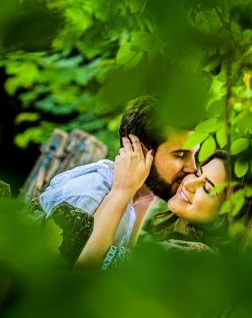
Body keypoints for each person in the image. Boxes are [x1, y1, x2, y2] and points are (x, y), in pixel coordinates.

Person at [39, 96, 200, 270]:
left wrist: (146, 196)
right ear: (140, 150)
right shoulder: (91, 194)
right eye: (180, 155)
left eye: (194, 156)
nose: (193, 168)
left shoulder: (132, 198)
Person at [100, 150, 252, 270]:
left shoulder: (195, 255)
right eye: (197, 173)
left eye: (207, 188)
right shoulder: (194, 251)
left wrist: (121, 190)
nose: (188, 184)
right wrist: (148, 193)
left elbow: (96, 264)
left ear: (224, 216)